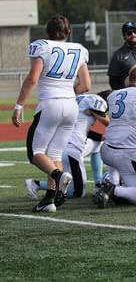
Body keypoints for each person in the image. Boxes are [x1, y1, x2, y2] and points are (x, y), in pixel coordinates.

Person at [13, 15, 91, 212]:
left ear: (47, 31)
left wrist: (19, 105)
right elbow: (86, 85)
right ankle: (50, 199)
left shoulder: (42, 46)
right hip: (71, 105)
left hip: (50, 103)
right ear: (69, 31)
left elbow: (33, 79)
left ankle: (58, 175)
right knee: (55, 153)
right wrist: (67, 94)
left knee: (35, 153)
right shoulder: (79, 49)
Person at [95, 64, 136, 208]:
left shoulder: (113, 95)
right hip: (126, 153)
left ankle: (109, 190)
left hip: (106, 149)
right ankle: (112, 189)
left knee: (131, 187)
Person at [26, 92, 110, 200]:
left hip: (66, 143)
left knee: (99, 144)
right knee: (77, 193)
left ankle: (98, 184)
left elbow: (81, 129)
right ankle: (37, 184)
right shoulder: (95, 100)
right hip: (71, 149)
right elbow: (108, 122)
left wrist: (101, 137)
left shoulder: (81, 99)